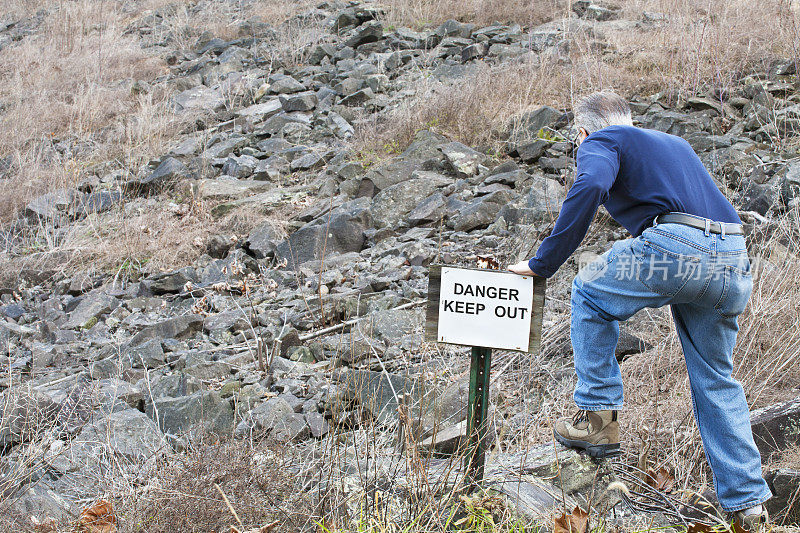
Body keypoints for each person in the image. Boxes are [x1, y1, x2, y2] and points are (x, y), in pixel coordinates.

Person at [507, 91, 772, 530]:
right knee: (717, 381)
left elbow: (590, 184)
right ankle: (748, 504)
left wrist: (541, 264)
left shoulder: (601, 141)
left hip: (679, 248)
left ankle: (597, 419)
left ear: (582, 131)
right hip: (733, 257)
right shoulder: (673, 144)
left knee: (588, 293)